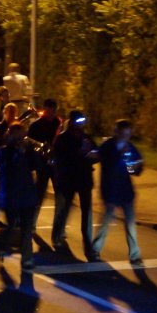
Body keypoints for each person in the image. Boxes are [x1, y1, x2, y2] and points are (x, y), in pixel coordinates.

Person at [91, 120, 144, 266]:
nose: (125, 137)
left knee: (130, 225)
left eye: (128, 134)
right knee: (105, 223)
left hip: (126, 191)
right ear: (117, 132)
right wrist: (119, 154)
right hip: (111, 190)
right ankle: (95, 249)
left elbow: (135, 170)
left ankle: (135, 255)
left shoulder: (131, 147)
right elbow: (106, 163)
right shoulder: (108, 146)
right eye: (123, 134)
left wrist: (136, 166)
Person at [51, 110, 99, 259]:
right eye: (78, 121)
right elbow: (59, 157)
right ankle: (57, 235)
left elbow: (96, 153)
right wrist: (79, 153)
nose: (80, 125)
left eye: (82, 122)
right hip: (69, 179)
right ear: (71, 122)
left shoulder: (86, 138)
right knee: (64, 208)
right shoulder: (62, 138)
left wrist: (93, 155)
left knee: (87, 213)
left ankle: (88, 245)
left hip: (84, 179)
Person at [0, 122, 40, 268]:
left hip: (27, 193)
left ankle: (27, 259)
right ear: (12, 134)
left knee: (27, 229)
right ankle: (2, 248)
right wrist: (18, 153)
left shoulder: (27, 149)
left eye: (24, 134)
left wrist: (34, 153)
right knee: (11, 227)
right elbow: (5, 169)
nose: (24, 137)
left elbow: (35, 166)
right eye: (21, 134)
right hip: (12, 195)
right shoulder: (4, 151)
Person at [26, 98, 61, 226]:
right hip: (42, 164)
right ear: (45, 109)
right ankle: (32, 223)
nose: (51, 113)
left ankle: (58, 227)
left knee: (59, 197)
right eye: (49, 110)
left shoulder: (59, 123)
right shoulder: (36, 125)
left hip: (56, 164)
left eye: (53, 111)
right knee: (39, 195)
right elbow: (29, 144)